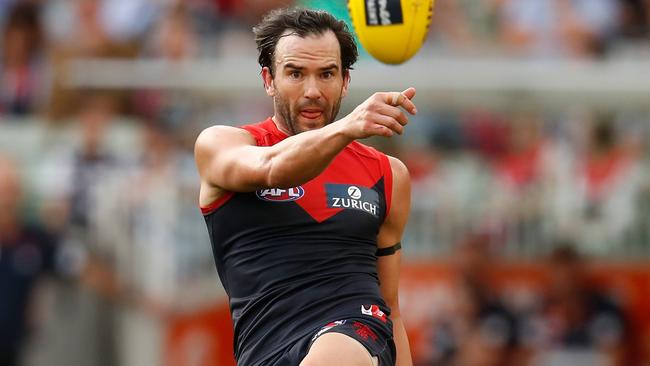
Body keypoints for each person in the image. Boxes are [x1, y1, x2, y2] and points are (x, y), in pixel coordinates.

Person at [194, 7, 416, 366]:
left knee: (338, 353)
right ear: (269, 80)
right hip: (266, 350)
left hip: (356, 330)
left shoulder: (387, 173)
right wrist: (346, 128)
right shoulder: (222, 144)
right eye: (295, 73)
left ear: (345, 81)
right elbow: (273, 168)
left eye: (327, 74)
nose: (312, 90)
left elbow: (392, 309)